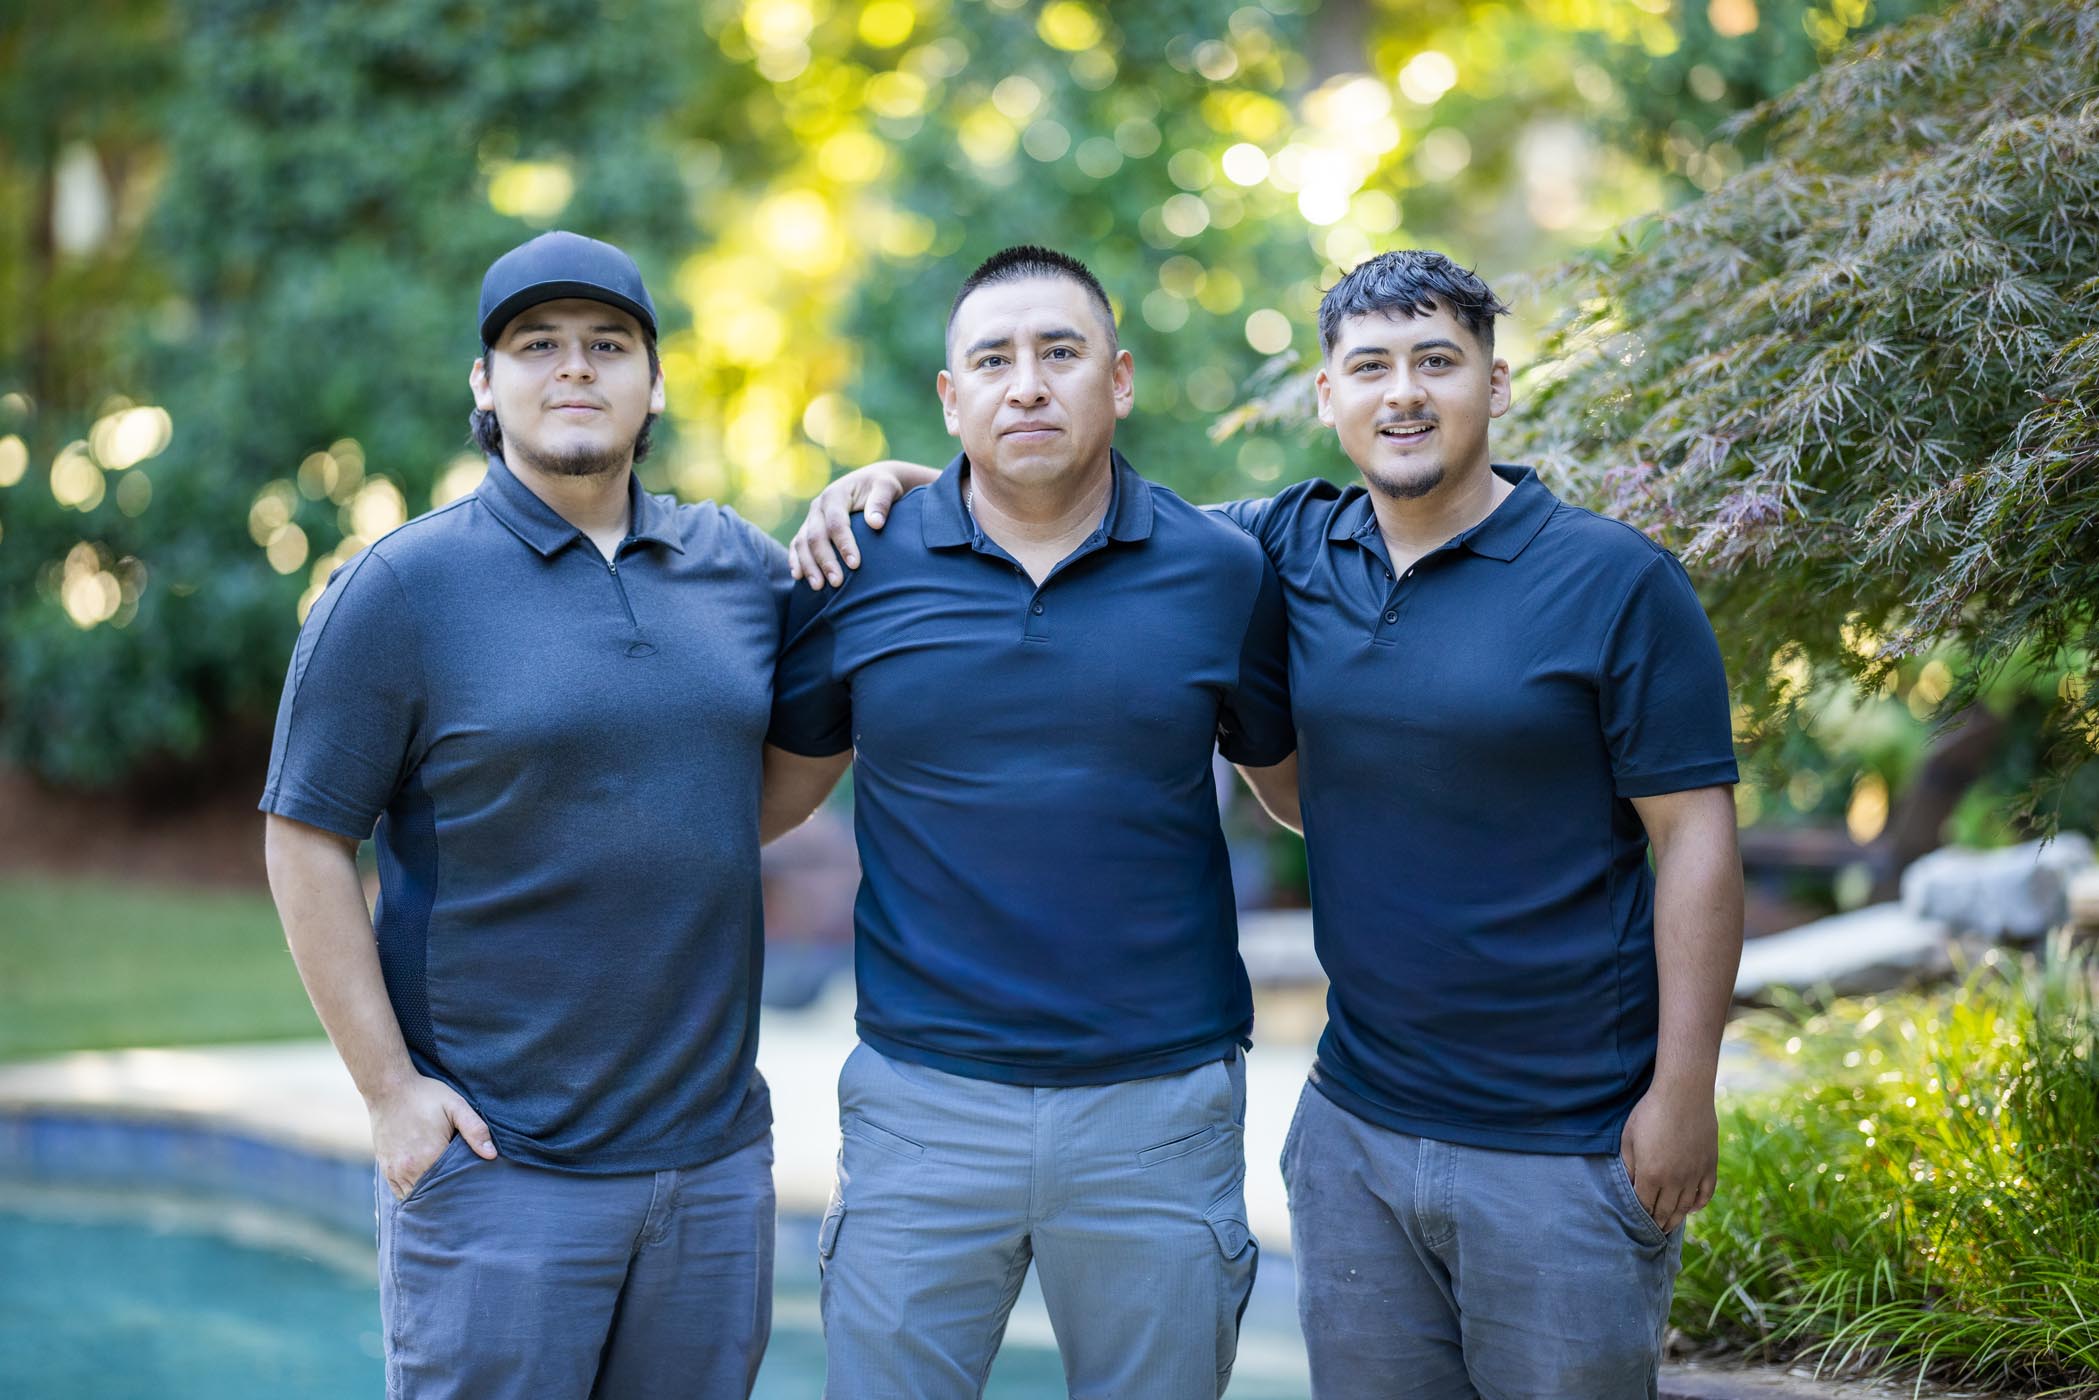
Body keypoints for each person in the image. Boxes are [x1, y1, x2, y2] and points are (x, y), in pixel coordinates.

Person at [788, 248, 1746, 1399]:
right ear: (1326, 394)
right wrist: (894, 482)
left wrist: (1683, 1086)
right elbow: (1065, 516)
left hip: (1520, 1129)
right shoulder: (1270, 549)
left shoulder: (1590, 580)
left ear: (1494, 384)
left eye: (1436, 362)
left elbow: (1688, 834)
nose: (1402, 393)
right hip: (1317, 1124)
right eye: (1370, 366)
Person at [260, 230, 838, 1400]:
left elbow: (790, 759)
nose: (574, 369)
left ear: (653, 382)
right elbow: (304, 835)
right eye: (537, 345)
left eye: (607, 345)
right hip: (498, 1166)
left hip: (712, 1163)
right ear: (486, 383)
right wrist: (388, 1093)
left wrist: (882, 490)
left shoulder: (739, 565)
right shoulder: (402, 588)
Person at [765, 244, 1294, 1399]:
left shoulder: (1221, 571)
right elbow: (771, 795)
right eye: (992, 359)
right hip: (923, 1106)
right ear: (950, 397)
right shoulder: (853, 564)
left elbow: (1297, 792)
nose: (1028, 383)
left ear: (1119, 378)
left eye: (1061, 352)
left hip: (1156, 1111)